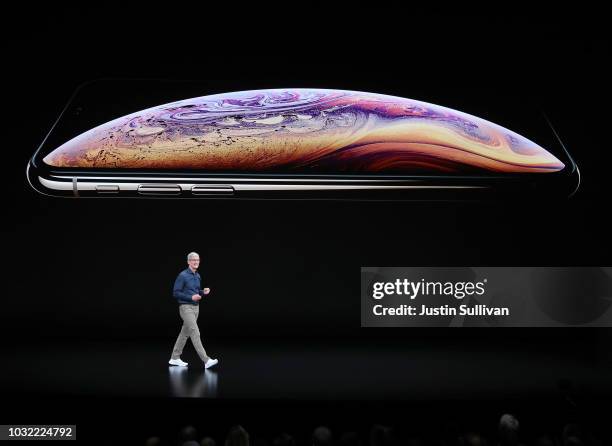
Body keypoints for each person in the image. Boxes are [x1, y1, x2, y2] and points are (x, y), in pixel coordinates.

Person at [169, 252, 218, 369]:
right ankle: (206, 360)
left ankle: (174, 358)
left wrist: (202, 292)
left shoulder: (197, 275)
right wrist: (190, 298)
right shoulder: (182, 275)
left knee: (184, 333)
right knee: (195, 332)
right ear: (188, 262)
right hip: (186, 308)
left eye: (197, 260)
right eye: (193, 260)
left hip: (196, 307)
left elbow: (194, 292)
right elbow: (175, 293)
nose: (196, 262)